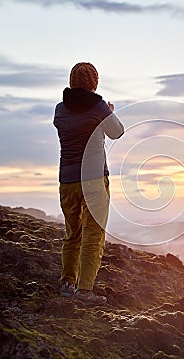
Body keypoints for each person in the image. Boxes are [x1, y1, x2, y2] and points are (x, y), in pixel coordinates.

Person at [53, 62, 124, 304]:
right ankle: (84, 291)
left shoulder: (60, 109)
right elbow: (117, 132)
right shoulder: (99, 106)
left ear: (72, 82)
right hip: (94, 180)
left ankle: (66, 284)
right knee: (93, 234)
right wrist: (109, 112)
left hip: (68, 181)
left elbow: (70, 126)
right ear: (94, 83)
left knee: (73, 233)